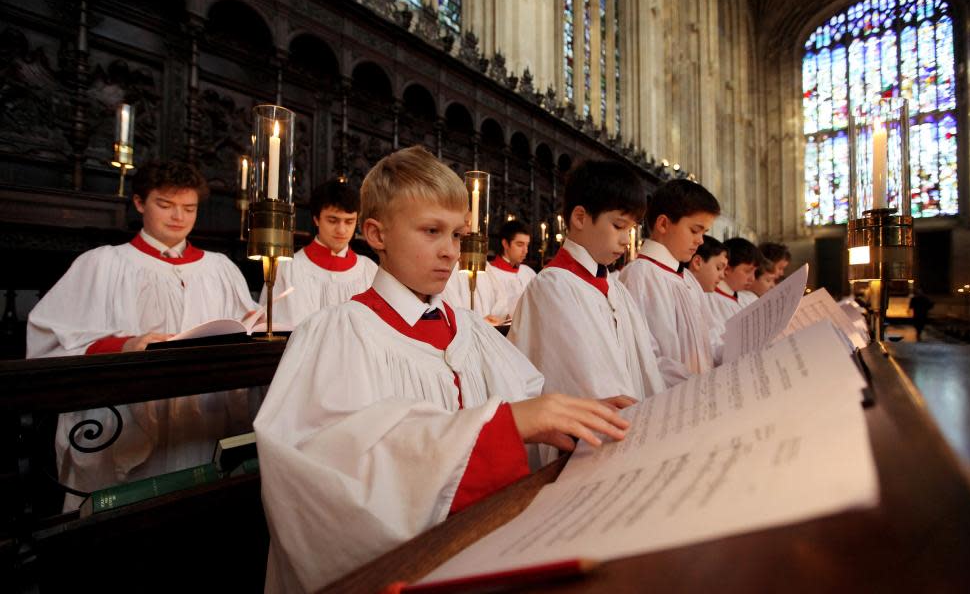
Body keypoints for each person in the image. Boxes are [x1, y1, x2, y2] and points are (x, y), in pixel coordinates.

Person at [253, 146, 634, 592]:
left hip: (491, 547)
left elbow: (527, 417)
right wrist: (504, 427)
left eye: (457, 235)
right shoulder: (337, 334)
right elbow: (323, 474)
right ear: (376, 234)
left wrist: (568, 419)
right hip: (409, 570)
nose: (451, 252)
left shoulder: (472, 331)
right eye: (431, 231)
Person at [26, 160, 260, 509]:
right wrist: (127, 344)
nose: (178, 217)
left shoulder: (220, 268)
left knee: (199, 501)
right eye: (164, 205)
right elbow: (50, 336)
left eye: (189, 208)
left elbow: (247, 324)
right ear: (139, 203)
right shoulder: (103, 264)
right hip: (126, 414)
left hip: (201, 414)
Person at [508, 159, 666, 405]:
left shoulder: (615, 287)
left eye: (631, 229)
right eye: (618, 226)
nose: (626, 240)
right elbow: (584, 385)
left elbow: (643, 366)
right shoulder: (554, 287)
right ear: (580, 218)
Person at [619, 179, 720, 386]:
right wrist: (697, 384)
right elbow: (646, 358)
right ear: (663, 224)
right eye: (695, 230)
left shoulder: (688, 278)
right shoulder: (640, 275)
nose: (700, 240)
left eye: (704, 233)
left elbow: (710, 339)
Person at [267, 180, 377, 326]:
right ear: (316, 219)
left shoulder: (369, 271)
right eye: (333, 220)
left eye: (349, 222)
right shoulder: (288, 269)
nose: (342, 230)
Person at [478, 219, 537, 320]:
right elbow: (486, 311)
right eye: (520, 244)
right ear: (505, 243)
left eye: (527, 245)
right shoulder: (488, 272)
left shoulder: (529, 272)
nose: (525, 251)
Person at [706, 237, 760, 327]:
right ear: (727, 269)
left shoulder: (750, 297)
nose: (752, 278)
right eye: (747, 271)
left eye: (755, 272)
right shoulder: (710, 299)